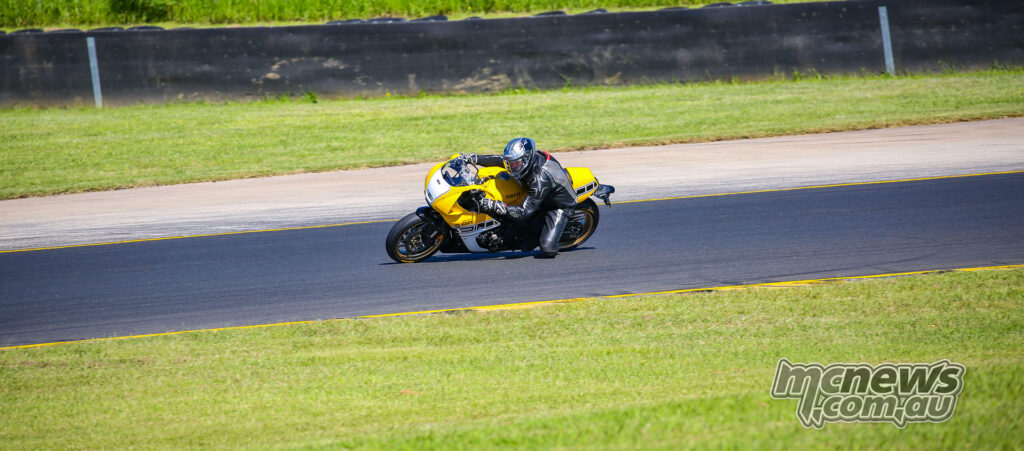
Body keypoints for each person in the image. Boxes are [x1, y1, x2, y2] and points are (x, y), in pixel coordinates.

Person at [460, 137, 577, 258]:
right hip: (536, 195)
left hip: (556, 206)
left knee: (547, 249)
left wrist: (496, 205)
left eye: (516, 164)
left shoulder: (540, 179)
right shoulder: (523, 160)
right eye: (511, 163)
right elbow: (499, 160)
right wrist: (474, 158)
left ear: (527, 159)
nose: (512, 167)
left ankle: (544, 234)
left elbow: (523, 212)